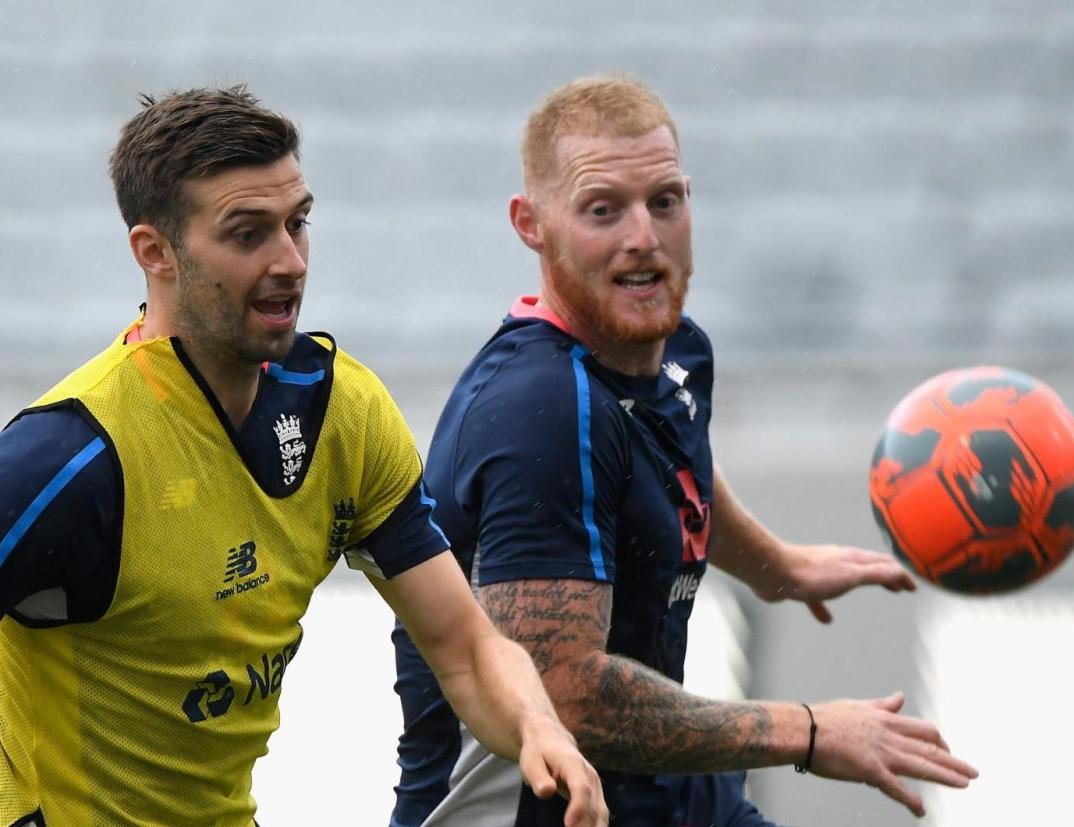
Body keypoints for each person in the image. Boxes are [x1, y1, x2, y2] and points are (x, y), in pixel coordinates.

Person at [0, 86, 607, 827]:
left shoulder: (339, 414)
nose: (290, 261)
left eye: (298, 223)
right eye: (248, 233)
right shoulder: (71, 455)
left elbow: (467, 648)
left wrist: (539, 727)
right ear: (154, 251)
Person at [389, 75, 978, 826]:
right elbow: (564, 692)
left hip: (664, 794)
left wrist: (779, 566)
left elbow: (672, 470)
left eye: (664, 201)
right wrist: (807, 729)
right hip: (550, 811)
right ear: (530, 223)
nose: (644, 235)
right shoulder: (535, 411)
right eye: (603, 210)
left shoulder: (672, 352)